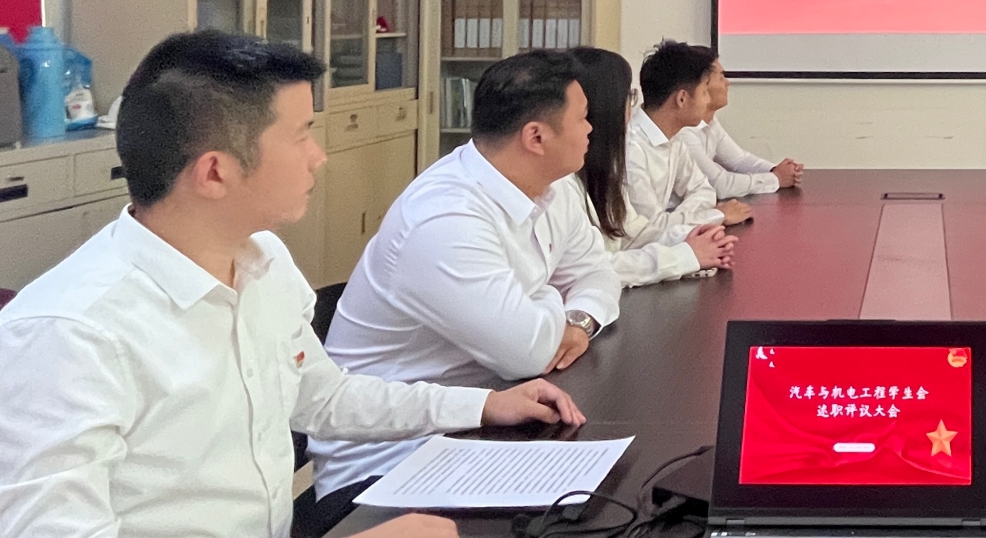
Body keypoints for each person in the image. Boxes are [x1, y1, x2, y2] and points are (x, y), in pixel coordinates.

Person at [0, 31, 583, 538]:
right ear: (215, 172)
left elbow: (324, 398)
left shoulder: (262, 260)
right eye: (301, 135)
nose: (318, 156)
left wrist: (483, 404)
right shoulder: (69, 334)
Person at [310, 49, 620, 520]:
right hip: (390, 460)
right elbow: (528, 352)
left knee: (609, 500)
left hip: (486, 417)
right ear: (536, 137)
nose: (592, 128)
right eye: (582, 118)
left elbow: (599, 272)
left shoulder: (554, 187)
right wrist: (550, 296)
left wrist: (577, 320)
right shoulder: (444, 217)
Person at [559, 46, 738, 285]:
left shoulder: (600, 166)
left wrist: (693, 236)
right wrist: (687, 252)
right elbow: (592, 268)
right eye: (628, 98)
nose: (631, 111)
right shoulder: (624, 153)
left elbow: (633, 234)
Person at [633, 40, 752, 234]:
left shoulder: (674, 139)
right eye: (704, 92)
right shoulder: (631, 149)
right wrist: (714, 216)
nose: (707, 100)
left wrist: (696, 217)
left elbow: (704, 190)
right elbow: (649, 230)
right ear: (681, 99)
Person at [675, 59, 804, 198]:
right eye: (721, 77)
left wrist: (775, 170)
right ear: (703, 86)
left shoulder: (711, 123)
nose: (727, 83)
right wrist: (776, 178)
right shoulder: (683, 132)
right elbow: (718, 184)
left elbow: (739, 160)